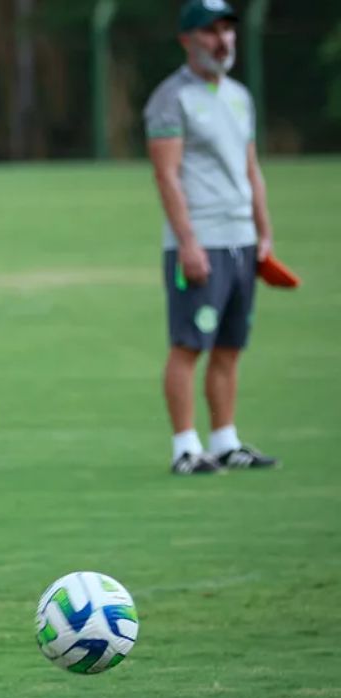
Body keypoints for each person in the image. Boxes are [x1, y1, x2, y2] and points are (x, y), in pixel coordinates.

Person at [145, 0, 279, 475]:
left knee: (229, 345)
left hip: (241, 239)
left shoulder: (239, 96)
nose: (222, 40)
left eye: (227, 29)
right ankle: (185, 447)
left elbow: (250, 168)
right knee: (189, 345)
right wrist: (188, 241)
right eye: (209, 32)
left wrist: (263, 231)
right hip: (202, 239)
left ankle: (226, 440)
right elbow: (167, 175)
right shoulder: (171, 98)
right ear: (187, 40)